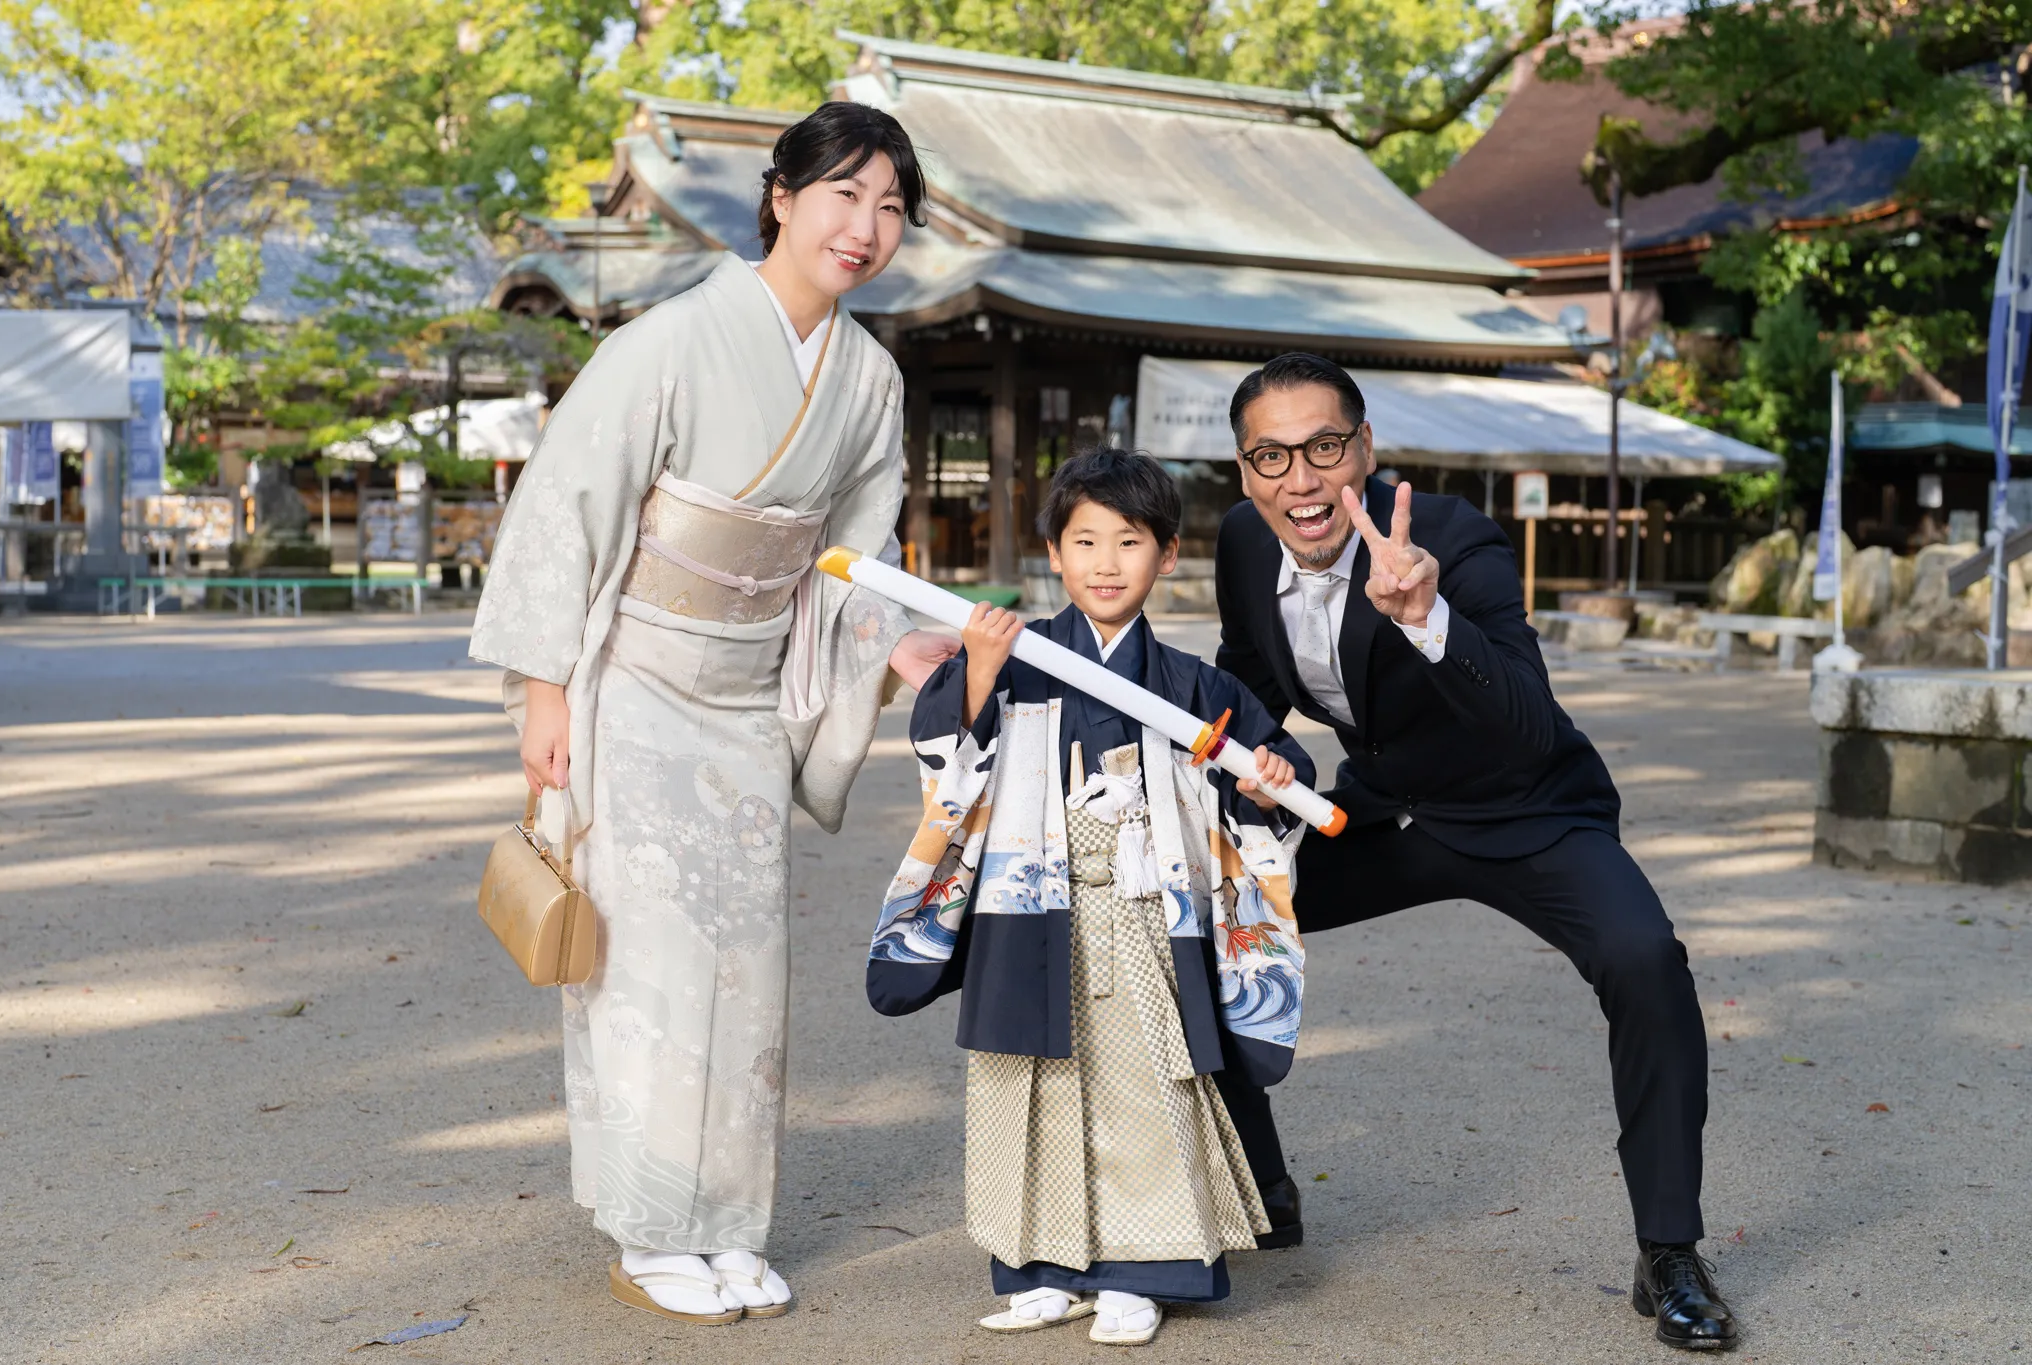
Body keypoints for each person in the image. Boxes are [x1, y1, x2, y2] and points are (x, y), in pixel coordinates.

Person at [469, 101, 959, 1326]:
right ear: (781, 197)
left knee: (745, 965)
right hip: (635, 682)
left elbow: (852, 558)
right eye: (843, 195)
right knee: (648, 958)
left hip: (744, 698)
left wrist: (896, 645)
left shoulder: (867, 378)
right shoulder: (669, 341)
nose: (865, 228)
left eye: (890, 208)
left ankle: (727, 1224)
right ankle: (651, 1225)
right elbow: (568, 504)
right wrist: (546, 691)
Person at [1209, 353, 1740, 1351]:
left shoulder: (1454, 540)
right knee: (1198, 917)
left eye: (1324, 447)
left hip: (1522, 807)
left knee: (1645, 960)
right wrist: (1246, 770)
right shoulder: (1243, 542)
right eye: (1270, 456)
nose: (1300, 479)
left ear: (1366, 449)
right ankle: (1262, 1190)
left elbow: (1528, 720)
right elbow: (1247, 682)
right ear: (1244, 471)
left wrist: (1426, 619)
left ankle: (1668, 1251)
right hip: (1383, 812)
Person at [867, 451, 1315, 1347]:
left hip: (1143, 912)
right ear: (1055, 553)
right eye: (1085, 541)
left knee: (1144, 1085)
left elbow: (1277, 778)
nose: (1106, 562)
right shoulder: (1016, 659)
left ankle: (1140, 1271)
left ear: (1168, 554)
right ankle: (1041, 1265)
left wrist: (1266, 781)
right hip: (1028, 906)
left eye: (1130, 541)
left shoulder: (1196, 685)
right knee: (1027, 1086)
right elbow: (948, 757)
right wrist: (981, 671)